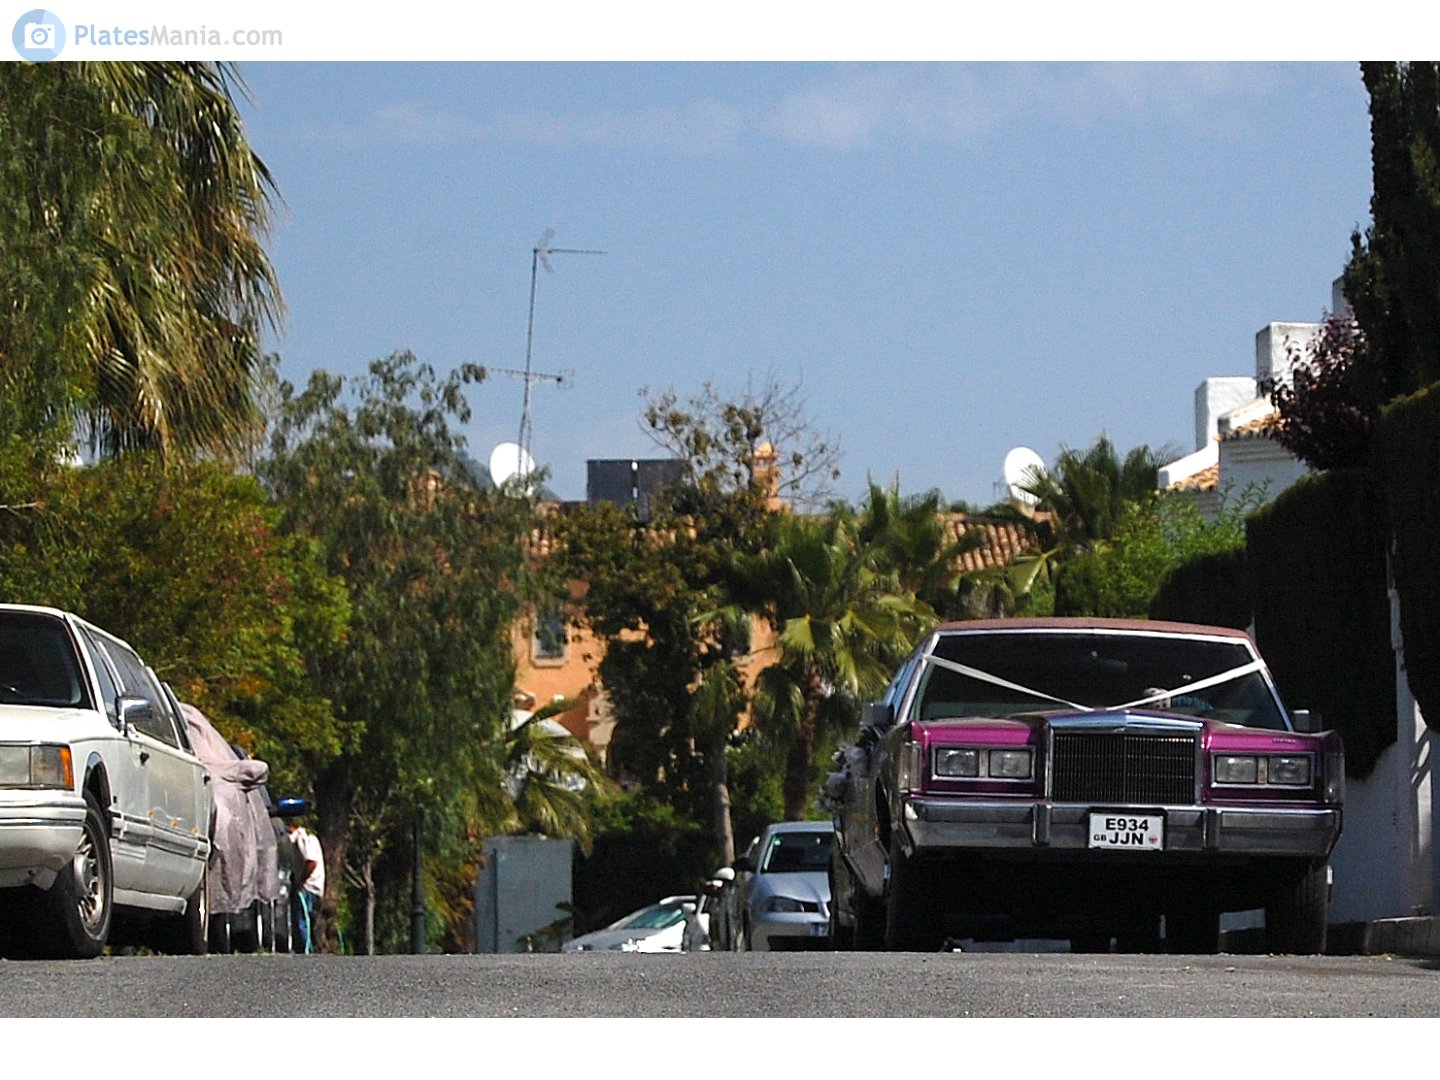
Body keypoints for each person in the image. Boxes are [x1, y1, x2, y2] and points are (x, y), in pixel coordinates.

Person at [287, 818, 325, 954]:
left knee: (301, 921)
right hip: (313, 888)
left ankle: (304, 952)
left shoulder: (302, 837)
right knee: (303, 921)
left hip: (308, 887)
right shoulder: (310, 837)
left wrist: (300, 881)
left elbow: (311, 862)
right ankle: (305, 949)